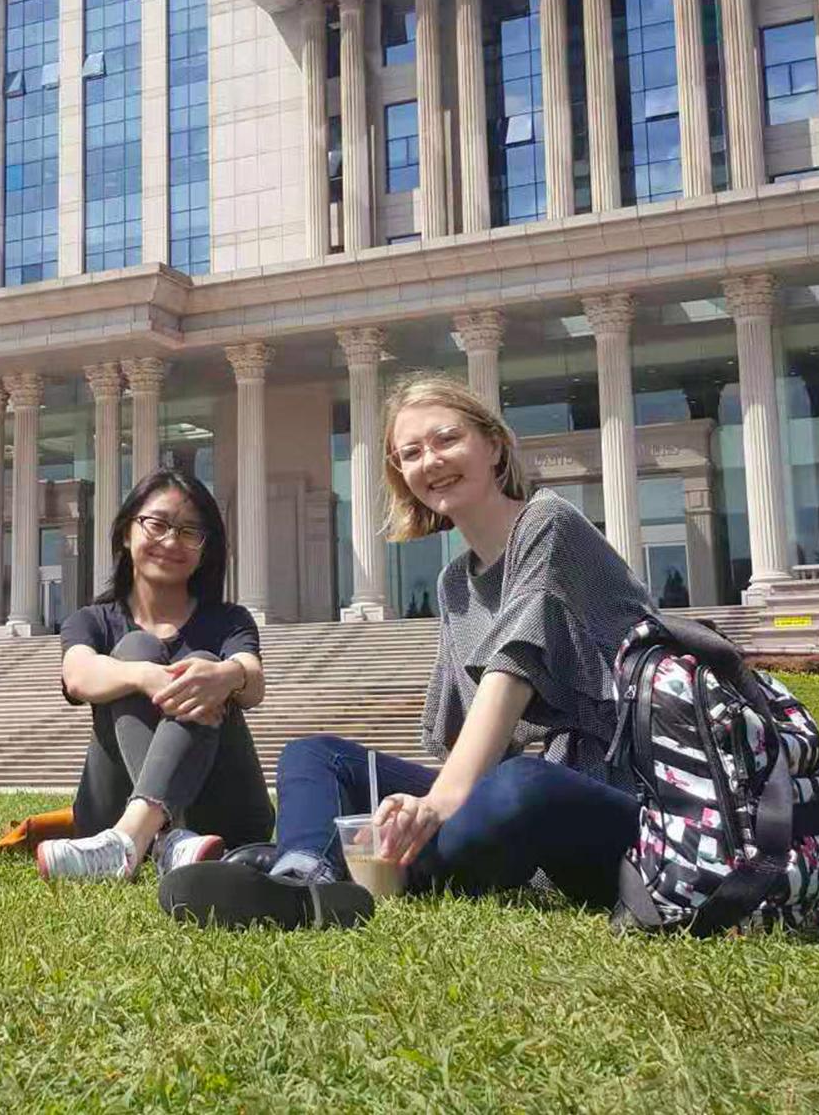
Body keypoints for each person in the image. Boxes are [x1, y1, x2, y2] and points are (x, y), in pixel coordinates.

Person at [167, 373, 654, 928]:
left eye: (447, 439)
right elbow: (466, 741)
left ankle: (348, 865)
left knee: (519, 787)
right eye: (411, 453)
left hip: (615, 797)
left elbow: (512, 673)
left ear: (495, 446)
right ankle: (302, 876)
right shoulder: (455, 583)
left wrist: (435, 806)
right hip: (510, 789)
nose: (432, 461)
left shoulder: (549, 523)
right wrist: (414, 808)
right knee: (313, 755)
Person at [35, 468, 273, 883]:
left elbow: (253, 681)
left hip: (222, 818)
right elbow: (77, 675)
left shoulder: (229, 620)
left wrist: (226, 675)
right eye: (157, 525)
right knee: (133, 652)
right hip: (110, 807)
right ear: (127, 533)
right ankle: (165, 839)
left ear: (205, 549)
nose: (171, 541)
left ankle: (134, 838)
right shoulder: (92, 620)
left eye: (189, 532)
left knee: (203, 665)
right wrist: (143, 676)